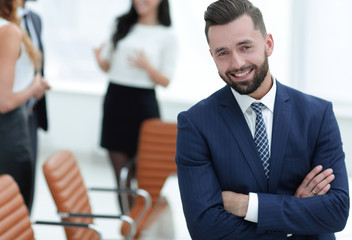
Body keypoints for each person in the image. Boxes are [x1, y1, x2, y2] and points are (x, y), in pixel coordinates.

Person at [175, 0, 349, 239]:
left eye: (245, 47)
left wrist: (249, 206)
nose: (236, 63)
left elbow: (336, 212)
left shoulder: (317, 115)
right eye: (223, 53)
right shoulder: (195, 124)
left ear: (268, 44)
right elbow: (204, 228)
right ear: (212, 56)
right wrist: (294, 213)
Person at [94, 0, 178, 212]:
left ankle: (144, 221)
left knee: (147, 172)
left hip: (143, 103)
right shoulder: (120, 24)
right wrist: (98, 57)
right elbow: (108, 66)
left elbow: (166, 80)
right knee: (120, 174)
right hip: (116, 99)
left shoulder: (168, 35)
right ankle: (128, 226)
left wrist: (147, 66)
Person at [0, 0, 49, 213]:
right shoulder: (9, 31)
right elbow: (4, 102)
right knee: (14, 210)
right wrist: (34, 88)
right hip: (9, 129)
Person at [17, 0, 48, 214]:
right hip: (9, 113)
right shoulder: (6, 25)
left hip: (31, 113)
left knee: (27, 182)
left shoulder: (35, 19)